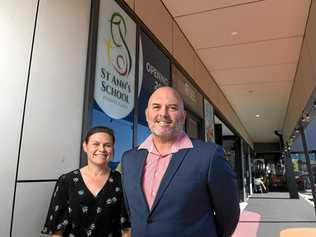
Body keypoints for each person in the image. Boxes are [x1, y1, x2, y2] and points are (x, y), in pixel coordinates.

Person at [121, 87, 240, 237]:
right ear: (147, 114)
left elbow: (229, 215)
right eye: (156, 107)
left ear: (183, 117)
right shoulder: (129, 159)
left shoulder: (209, 156)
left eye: (172, 108)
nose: (163, 114)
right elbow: (132, 213)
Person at [41, 126, 131, 237]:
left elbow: (126, 229)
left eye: (107, 145)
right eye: (96, 144)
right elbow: (57, 231)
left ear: (113, 149)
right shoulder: (67, 181)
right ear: (85, 146)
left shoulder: (121, 181)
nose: (102, 149)